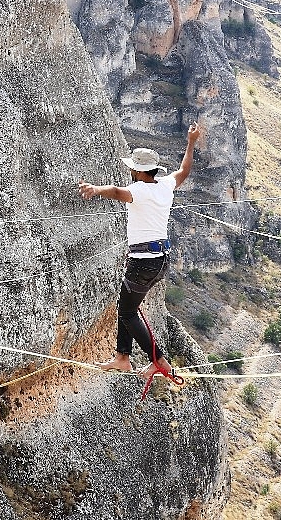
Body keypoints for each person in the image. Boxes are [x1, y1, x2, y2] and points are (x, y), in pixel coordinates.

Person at [77, 123, 202, 387]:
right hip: (161, 260)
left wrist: (96, 189)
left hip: (143, 263)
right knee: (127, 307)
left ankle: (159, 361)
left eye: (132, 168)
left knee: (127, 311)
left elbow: (114, 191)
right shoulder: (165, 185)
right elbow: (185, 171)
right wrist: (191, 141)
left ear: (137, 171)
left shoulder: (139, 191)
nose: (130, 171)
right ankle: (122, 357)